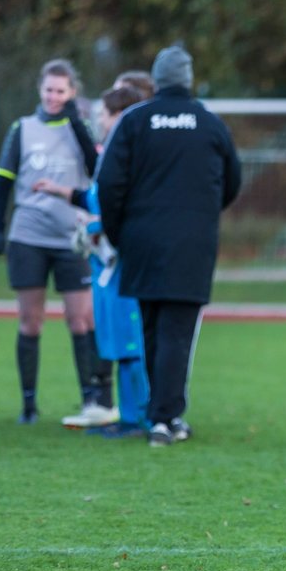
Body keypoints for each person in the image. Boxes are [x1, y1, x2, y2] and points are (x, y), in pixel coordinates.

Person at [96, 45, 242, 447]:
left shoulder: (134, 121)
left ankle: (160, 413)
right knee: (178, 332)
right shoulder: (211, 124)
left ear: (157, 79)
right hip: (192, 244)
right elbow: (232, 182)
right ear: (189, 79)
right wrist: (200, 216)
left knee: (151, 329)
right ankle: (165, 418)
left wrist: (117, 232)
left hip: (141, 241)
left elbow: (109, 183)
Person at [0, 58, 112, 425]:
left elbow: (98, 173)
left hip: (72, 240)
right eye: (49, 89)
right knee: (31, 320)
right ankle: (29, 404)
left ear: (72, 93)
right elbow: (2, 181)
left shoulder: (82, 129)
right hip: (28, 236)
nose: (53, 96)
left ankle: (90, 399)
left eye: (61, 90)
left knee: (80, 319)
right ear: (40, 90)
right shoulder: (23, 128)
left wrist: (77, 123)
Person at [35, 84, 150, 437]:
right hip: (105, 264)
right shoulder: (112, 153)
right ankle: (128, 415)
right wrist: (64, 196)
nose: (100, 119)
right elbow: (99, 198)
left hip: (123, 262)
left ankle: (139, 417)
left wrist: (98, 227)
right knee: (117, 340)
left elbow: (128, 209)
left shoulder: (134, 155)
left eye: (104, 114)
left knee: (132, 343)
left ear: (120, 116)